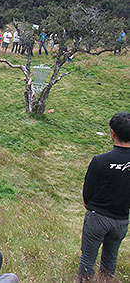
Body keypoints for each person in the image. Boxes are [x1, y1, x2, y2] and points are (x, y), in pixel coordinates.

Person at [77, 112, 130, 283]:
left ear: (112, 133)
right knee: (110, 260)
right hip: (121, 220)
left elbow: (88, 190)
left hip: (98, 217)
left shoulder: (100, 160)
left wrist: (89, 204)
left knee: (87, 260)